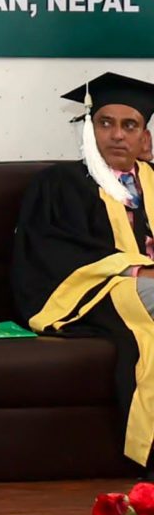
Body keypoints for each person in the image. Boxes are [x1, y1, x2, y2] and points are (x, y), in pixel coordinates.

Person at [12, 73, 154, 467]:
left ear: (144, 137)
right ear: (90, 130)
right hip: (92, 292)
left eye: (130, 126)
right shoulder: (60, 182)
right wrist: (134, 270)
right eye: (105, 123)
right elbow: (50, 250)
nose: (117, 135)